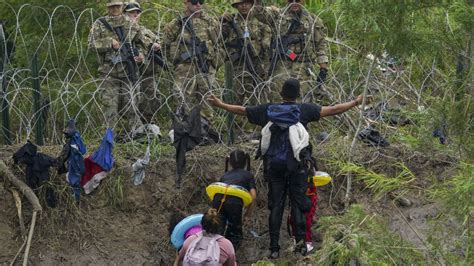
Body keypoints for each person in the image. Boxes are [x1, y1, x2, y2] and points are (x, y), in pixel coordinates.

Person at [208, 78, 367, 258]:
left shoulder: (268, 109)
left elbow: (242, 110)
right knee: (298, 205)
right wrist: (356, 101)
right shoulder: (304, 110)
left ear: (281, 94)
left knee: (276, 206)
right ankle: (300, 246)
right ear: (298, 95)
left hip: (274, 167)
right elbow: (334, 109)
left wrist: (221, 105)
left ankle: (274, 249)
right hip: (297, 167)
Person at [88, 0, 148, 133]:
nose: (115, 9)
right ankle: (110, 138)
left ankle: (135, 135)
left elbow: (141, 44)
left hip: (129, 72)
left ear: (122, 6)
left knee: (131, 105)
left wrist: (140, 56)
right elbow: (91, 44)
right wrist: (110, 42)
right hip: (109, 73)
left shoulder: (130, 23)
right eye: (112, 6)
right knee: (110, 108)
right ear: (107, 7)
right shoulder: (99, 24)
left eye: (117, 6)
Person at [254, 0, 329, 103]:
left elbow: (321, 46)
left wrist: (323, 71)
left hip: (303, 68)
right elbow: (260, 13)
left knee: (302, 103)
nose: (294, 3)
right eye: (290, 0)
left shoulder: (313, 21)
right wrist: (257, 3)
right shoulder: (277, 16)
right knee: (278, 100)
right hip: (281, 67)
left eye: (297, 0)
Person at [162, 0, 222, 116]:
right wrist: (175, 62)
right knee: (182, 100)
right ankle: (185, 129)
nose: (198, 4)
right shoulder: (177, 24)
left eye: (201, 1)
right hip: (184, 68)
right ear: (186, 2)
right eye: (194, 1)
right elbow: (165, 45)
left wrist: (214, 64)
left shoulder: (211, 22)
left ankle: (206, 130)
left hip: (205, 66)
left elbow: (220, 45)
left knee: (207, 102)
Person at [221, 0, 271, 105]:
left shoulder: (260, 21)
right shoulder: (230, 21)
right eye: (241, 3)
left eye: (247, 3)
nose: (244, 6)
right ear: (236, 5)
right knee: (234, 101)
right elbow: (218, 38)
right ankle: (236, 121)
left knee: (259, 100)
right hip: (238, 68)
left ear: (251, 4)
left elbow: (267, 46)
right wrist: (221, 21)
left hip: (257, 66)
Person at [123, 1, 164, 124]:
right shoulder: (121, 32)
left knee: (152, 101)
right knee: (131, 102)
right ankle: (132, 129)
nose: (135, 15)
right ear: (125, 14)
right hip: (127, 74)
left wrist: (158, 46)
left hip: (147, 74)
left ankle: (149, 127)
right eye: (131, 13)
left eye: (137, 13)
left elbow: (160, 44)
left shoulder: (145, 31)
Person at [212, 149, 257, 250]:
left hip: (217, 200)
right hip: (234, 202)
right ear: (245, 161)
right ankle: (229, 257)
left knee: (217, 229)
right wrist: (248, 213)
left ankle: (213, 255)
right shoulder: (248, 175)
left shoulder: (225, 175)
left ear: (230, 163)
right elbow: (253, 196)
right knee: (234, 233)